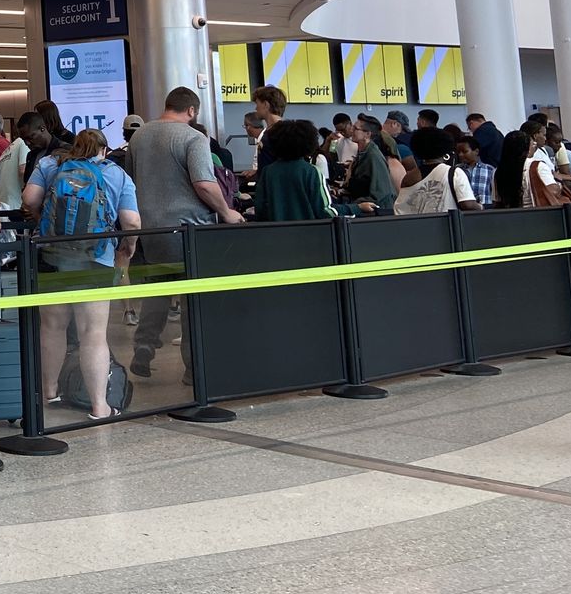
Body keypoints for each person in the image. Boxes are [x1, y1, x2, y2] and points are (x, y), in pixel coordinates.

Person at [123, 88, 243, 379]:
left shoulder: (139, 137)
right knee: (193, 298)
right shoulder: (193, 137)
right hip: (189, 229)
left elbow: (131, 180)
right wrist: (227, 212)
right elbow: (204, 184)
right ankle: (193, 368)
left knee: (158, 289)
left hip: (150, 228)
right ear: (191, 111)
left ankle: (144, 346)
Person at [25, 128, 142, 418]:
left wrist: (42, 221)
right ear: (104, 150)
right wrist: (128, 247)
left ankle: (50, 392)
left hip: (51, 255)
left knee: (52, 327)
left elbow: (29, 198)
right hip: (95, 259)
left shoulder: (51, 164)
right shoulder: (116, 173)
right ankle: (99, 406)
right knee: (93, 334)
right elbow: (131, 220)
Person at [252, 120, 340, 221]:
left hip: (275, 229)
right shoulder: (311, 171)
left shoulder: (267, 172)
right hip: (306, 228)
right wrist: (353, 208)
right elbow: (324, 211)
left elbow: (260, 208)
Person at [394, 127, 481, 214]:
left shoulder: (408, 178)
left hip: (412, 222)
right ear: (445, 149)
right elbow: (468, 205)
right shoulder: (454, 173)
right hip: (445, 222)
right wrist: (480, 206)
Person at [340, 116, 399, 215]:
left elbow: (380, 194)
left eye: (355, 128)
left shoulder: (373, 156)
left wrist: (355, 204)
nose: (351, 130)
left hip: (377, 212)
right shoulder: (363, 153)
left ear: (367, 134)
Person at [0, 111, 41, 212]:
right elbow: (23, 170)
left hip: (3, 205)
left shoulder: (10, 148)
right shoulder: (23, 144)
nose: (28, 142)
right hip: (17, 206)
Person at [456, 135, 496, 209]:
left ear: (476, 151)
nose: (460, 155)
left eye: (465, 151)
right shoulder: (456, 170)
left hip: (485, 210)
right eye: (458, 152)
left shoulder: (489, 170)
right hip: (462, 211)